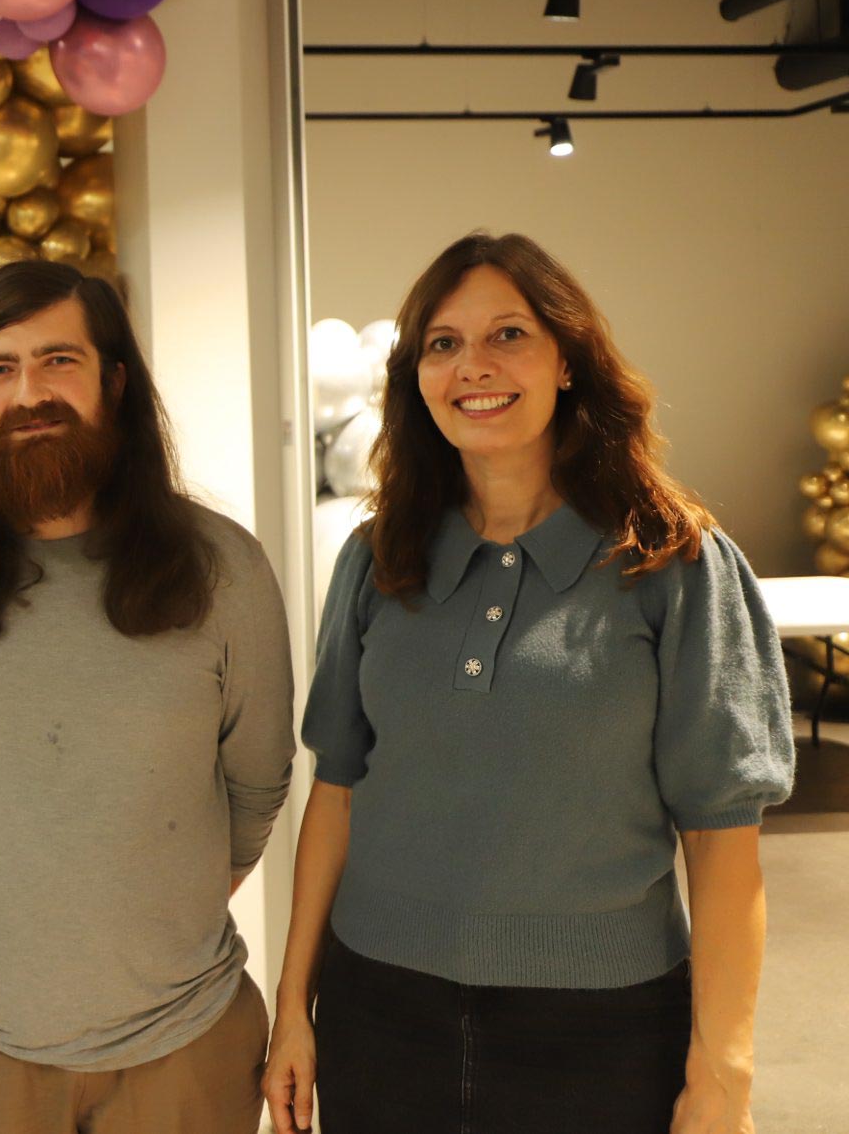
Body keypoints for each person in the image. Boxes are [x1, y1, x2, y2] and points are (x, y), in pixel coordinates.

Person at [262, 233, 796, 1134]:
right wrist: (292, 1011)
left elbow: (721, 838)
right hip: (382, 1017)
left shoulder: (674, 562)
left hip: (604, 1031)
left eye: (508, 334)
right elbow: (338, 793)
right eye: (442, 343)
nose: (473, 366)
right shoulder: (377, 556)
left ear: (568, 364)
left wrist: (724, 1073)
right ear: (417, 379)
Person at [0, 261, 294, 1134]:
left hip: (185, 1040)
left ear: (114, 381)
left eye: (59, 360)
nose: (31, 392)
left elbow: (257, 779)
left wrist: (146, 902)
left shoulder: (222, 570)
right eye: (0, 368)